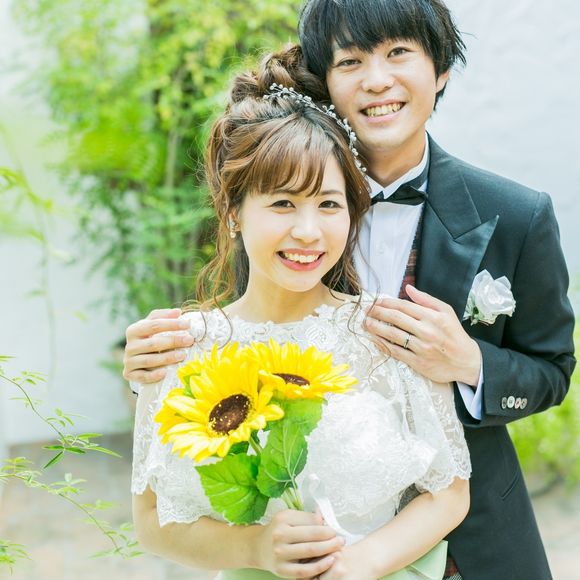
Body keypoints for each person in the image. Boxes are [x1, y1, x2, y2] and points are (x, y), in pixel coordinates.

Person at [125, 1, 576, 579]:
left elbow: (551, 369)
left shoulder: (516, 215)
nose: (377, 80)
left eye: (399, 53)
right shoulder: (280, 193)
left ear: (441, 70)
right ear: (325, 80)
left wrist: (470, 364)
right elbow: (245, 331)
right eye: (351, 61)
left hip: (473, 537)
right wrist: (154, 366)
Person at [131, 48, 471, 580]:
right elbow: (153, 521)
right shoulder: (179, 347)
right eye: (283, 204)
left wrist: (359, 564)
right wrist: (256, 548)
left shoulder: (386, 333)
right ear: (233, 212)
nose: (308, 232)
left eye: (329, 205)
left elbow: (448, 493)